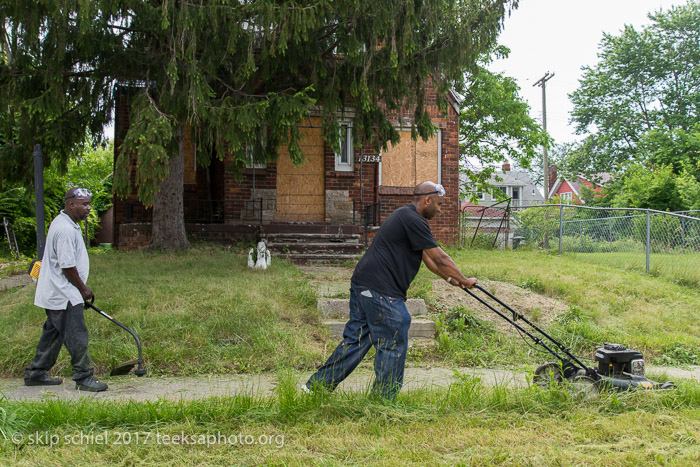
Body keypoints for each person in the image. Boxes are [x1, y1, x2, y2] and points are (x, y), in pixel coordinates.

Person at [304, 181, 477, 399]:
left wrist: (450, 278)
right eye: (439, 204)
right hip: (381, 290)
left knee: (355, 341)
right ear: (427, 200)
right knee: (394, 336)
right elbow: (439, 256)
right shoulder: (414, 220)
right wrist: (465, 279)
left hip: (363, 284)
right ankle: (383, 400)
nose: (440, 209)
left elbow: (427, 258)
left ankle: (314, 388)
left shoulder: (404, 216)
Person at [24, 187, 108, 392]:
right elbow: (67, 266)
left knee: (53, 334)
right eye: (85, 204)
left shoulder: (68, 224)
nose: (89, 208)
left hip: (59, 293)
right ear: (71, 204)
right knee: (76, 335)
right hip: (63, 294)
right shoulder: (65, 229)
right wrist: (83, 290)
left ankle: (35, 373)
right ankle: (84, 377)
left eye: (89, 203)